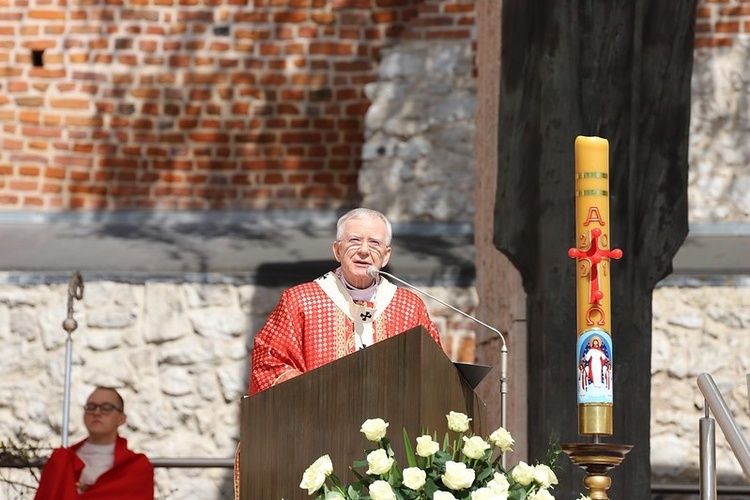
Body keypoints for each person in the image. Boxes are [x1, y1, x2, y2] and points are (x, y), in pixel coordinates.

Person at [249, 207, 442, 394]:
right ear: (337, 250)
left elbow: (433, 368)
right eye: (354, 240)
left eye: (374, 243)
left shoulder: (408, 307)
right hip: (321, 420)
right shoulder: (301, 301)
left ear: (386, 256)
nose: (364, 250)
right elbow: (268, 362)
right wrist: (315, 392)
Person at [34, 386, 154, 500]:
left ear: (121, 419)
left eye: (106, 408)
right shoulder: (63, 462)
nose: (96, 413)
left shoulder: (136, 467)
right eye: (91, 407)